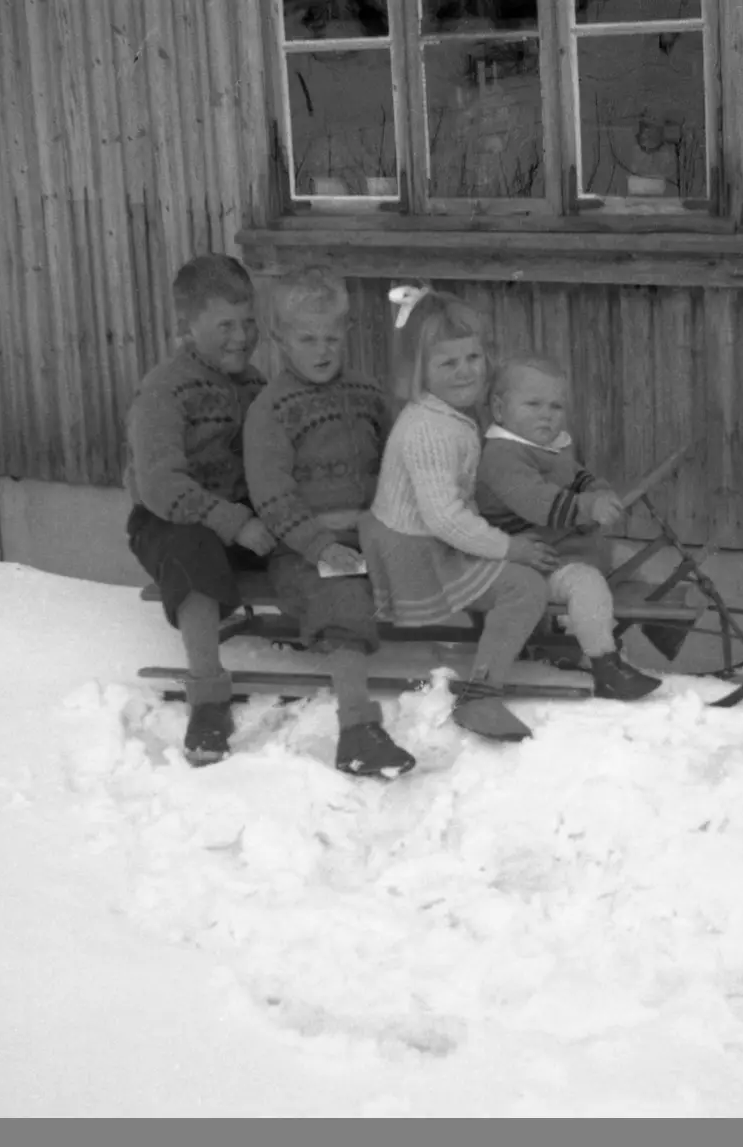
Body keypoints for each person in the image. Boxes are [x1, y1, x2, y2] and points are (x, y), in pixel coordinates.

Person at [358, 286, 557, 743]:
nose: (465, 371)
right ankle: (481, 697)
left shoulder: (450, 414)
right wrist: (508, 547)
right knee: (524, 586)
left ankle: (504, 645)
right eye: (448, 363)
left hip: (433, 534)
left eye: (473, 357)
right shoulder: (427, 430)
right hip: (418, 549)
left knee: (515, 559)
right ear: (419, 371)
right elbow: (444, 518)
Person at [243, 269, 416, 778]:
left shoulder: (366, 393)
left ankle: (486, 678)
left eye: (331, 338)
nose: (322, 350)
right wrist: (319, 546)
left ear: (347, 334)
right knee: (342, 596)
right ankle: (357, 729)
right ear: (280, 341)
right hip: (304, 548)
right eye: (307, 338)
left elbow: (396, 460)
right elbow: (271, 496)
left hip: (373, 533)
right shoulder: (270, 410)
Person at [124, 254, 276, 766]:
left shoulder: (256, 387)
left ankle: (332, 634)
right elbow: (161, 485)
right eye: (225, 326)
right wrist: (234, 523)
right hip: (169, 519)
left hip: (242, 519)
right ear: (186, 327)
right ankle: (208, 697)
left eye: (249, 322)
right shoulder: (164, 390)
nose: (241, 336)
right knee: (193, 551)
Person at [474, 353, 661, 701]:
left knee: (631, 561)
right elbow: (538, 501)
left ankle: (658, 625)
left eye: (556, 406)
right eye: (533, 404)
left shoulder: (549, 446)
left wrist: (596, 488)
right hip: (537, 558)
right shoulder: (501, 456)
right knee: (586, 585)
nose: (547, 414)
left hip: (570, 545)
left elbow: (575, 473)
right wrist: (588, 506)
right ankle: (605, 664)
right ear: (500, 410)